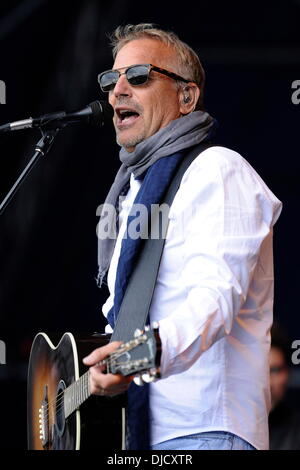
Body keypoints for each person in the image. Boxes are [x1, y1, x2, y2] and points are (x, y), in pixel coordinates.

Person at [82, 23, 282, 450]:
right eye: (110, 78)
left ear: (186, 97)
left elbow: (214, 301)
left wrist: (130, 360)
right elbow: (124, 318)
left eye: (137, 75)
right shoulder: (131, 193)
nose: (117, 89)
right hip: (144, 433)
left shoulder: (217, 169)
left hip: (207, 427)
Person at [269, 322, 300, 450]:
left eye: (275, 370)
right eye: (259, 372)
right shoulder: (225, 433)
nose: (268, 383)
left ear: (287, 373)